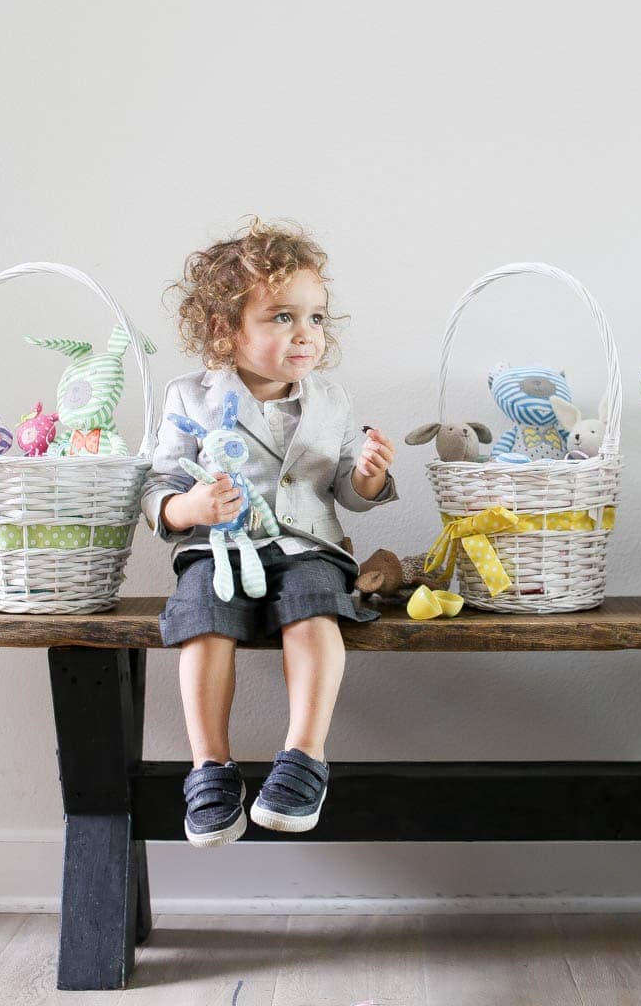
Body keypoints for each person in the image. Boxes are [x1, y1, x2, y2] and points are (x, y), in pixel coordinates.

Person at [141, 217, 397, 847]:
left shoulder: (330, 399)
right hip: (220, 547)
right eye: (282, 317)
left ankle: (303, 757)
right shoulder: (189, 396)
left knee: (314, 610)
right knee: (200, 615)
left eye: (315, 318)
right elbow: (157, 487)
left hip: (309, 545)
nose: (304, 334)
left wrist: (365, 476)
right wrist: (190, 508)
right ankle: (211, 768)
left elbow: (344, 488)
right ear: (227, 329)